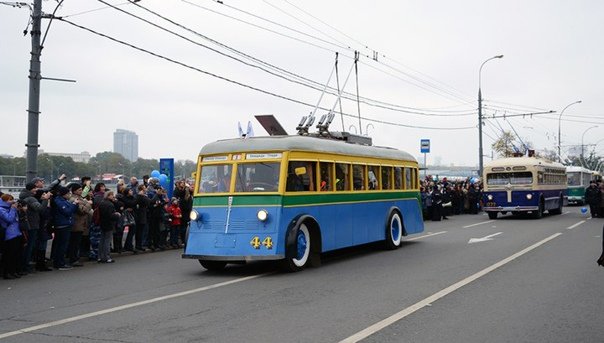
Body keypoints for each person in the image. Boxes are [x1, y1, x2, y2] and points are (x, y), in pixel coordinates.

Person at [18, 181, 51, 273]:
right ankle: (25, 266)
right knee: (29, 247)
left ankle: (24, 266)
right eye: (35, 188)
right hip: (32, 225)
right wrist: (45, 199)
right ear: (30, 189)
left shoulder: (23, 196)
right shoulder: (31, 199)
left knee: (28, 247)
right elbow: (40, 209)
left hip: (28, 224)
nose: (36, 190)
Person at [51, 186, 78, 270]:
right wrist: (74, 204)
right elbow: (67, 212)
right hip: (62, 225)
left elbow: (71, 210)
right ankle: (59, 263)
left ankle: (60, 262)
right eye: (68, 193)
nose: (69, 195)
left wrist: (74, 205)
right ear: (64, 194)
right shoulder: (59, 201)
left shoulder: (64, 200)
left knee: (62, 245)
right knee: (61, 245)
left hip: (66, 224)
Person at [68, 183, 92, 267]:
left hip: (81, 223)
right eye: (79, 190)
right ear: (74, 191)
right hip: (76, 223)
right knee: (74, 243)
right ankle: (73, 259)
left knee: (77, 242)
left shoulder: (80, 198)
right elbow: (82, 210)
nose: (81, 191)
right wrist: (88, 204)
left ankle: (75, 258)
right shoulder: (73, 199)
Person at [1, 194, 24, 279]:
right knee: (9, 255)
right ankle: (7, 273)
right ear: (5, 201)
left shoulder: (10, 208)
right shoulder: (1, 209)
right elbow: (9, 219)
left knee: (16, 254)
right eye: (10, 200)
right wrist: (13, 209)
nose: (12, 202)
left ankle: (13, 271)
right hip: (9, 235)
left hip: (17, 233)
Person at [98, 191, 120, 263]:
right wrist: (117, 215)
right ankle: (107, 257)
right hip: (109, 224)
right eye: (112, 195)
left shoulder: (102, 203)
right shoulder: (110, 204)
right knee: (107, 241)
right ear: (108, 196)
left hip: (102, 223)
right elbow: (111, 216)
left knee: (102, 240)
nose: (113, 196)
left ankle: (100, 257)